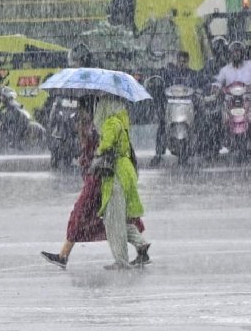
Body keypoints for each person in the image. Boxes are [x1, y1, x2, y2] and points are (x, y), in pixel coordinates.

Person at [40, 96, 147, 270]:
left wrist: (90, 146)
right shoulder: (103, 124)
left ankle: (64, 255)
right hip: (100, 177)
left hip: (98, 179)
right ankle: (141, 246)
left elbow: (100, 150)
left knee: (81, 215)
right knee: (111, 219)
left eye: (81, 112)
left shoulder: (101, 127)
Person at [92, 95, 150, 270]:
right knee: (116, 218)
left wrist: (98, 148)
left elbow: (106, 145)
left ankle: (121, 260)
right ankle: (140, 243)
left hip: (116, 173)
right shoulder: (121, 121)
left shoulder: (111, 123)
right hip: (126, 171)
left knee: (113, 221)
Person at [151, 51, 205, 164]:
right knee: (162, 124)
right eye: (180, 61)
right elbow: (162, 85)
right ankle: (158, 154)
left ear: (188, 62)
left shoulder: (194, 74)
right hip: (172, 105)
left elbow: (201, 86)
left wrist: (201, 91)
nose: (182, 64)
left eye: (184, 62)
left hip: (189, 106)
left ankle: (203, 148)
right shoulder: (169, 74)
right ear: (177, 61)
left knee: (201, 121)